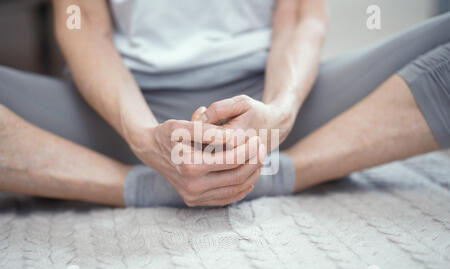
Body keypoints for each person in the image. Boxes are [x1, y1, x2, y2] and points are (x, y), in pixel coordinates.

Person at [0, 0, 449, 207]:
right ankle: (142, 185)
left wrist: (279, 113)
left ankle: (284, 172)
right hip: (120, 108)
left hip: (268, 98)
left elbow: (300, 14)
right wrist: (142, 137)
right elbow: (83, 24)